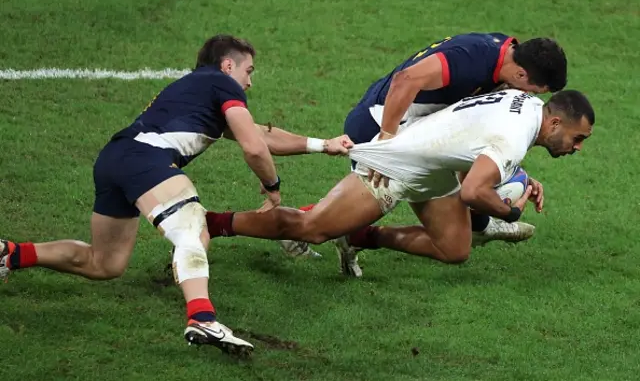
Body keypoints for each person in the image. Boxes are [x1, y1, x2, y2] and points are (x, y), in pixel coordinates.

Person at [0, 34, 353, 355]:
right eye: (248, 70)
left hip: (114, 159)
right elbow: (254, 148)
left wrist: (324, 145)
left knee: (104, 262)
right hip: (143, 159)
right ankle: (202, 317)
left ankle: (11, 254)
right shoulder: (220, 83)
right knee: (193, 230)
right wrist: (273, 187)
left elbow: (261, 134)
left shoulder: (197, 90)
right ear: (227, 65)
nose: (250, 80)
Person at [204, 89, 595, 279]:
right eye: (578, 139)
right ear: (556, 123)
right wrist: (509, 210)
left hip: (435, 165)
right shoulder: (514, 138)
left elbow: (480, 143)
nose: (577, 149)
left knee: (454, 248)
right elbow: (475, 191)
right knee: (311, 228)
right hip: (398, 165)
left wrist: (520, 177)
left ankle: (360, 238)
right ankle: (213, 222)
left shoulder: (525, 103)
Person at [270, 32, 569, 260]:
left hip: (417, 128)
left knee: (454, 220)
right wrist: (386, 144)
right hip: (380, 122)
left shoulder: (507, 55)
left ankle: (481, 225)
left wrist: (518, 173)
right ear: (521, 75)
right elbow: (406, 80)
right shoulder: (474, 58)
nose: (533, 98)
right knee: (367, 204)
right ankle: (284, 222)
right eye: (535, 90)